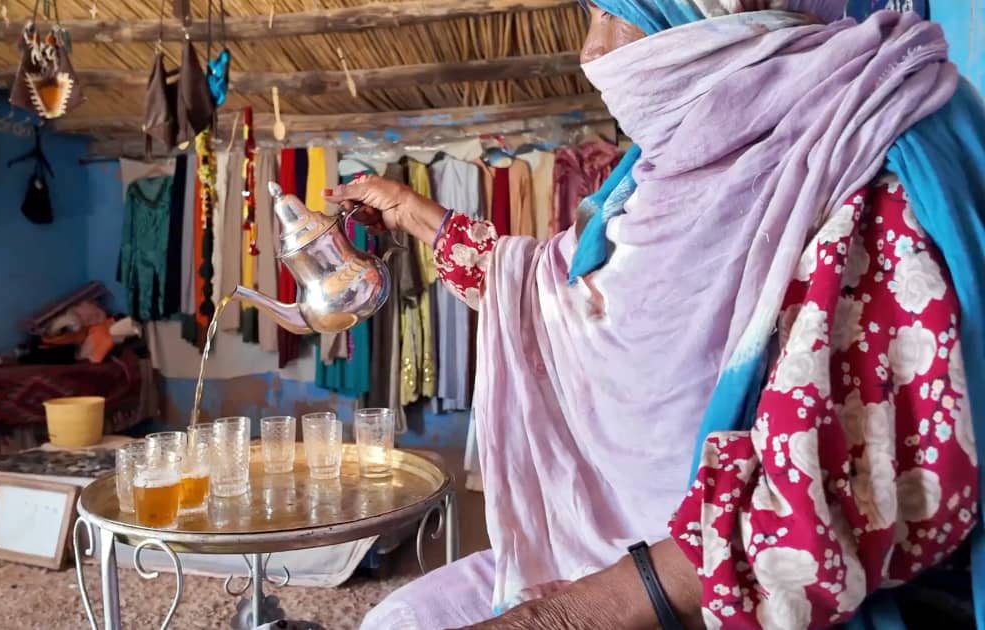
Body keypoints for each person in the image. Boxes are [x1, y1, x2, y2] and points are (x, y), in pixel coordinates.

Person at [326, 1, 985, 628]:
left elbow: (818, 530)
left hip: (755, 595)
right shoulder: (661, 171)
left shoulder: (871, 158)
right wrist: (411, 211)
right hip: (642, 551)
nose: (593, 53)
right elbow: (568, 297)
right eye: (593, 15)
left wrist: (559, 615)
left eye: (621, 15)